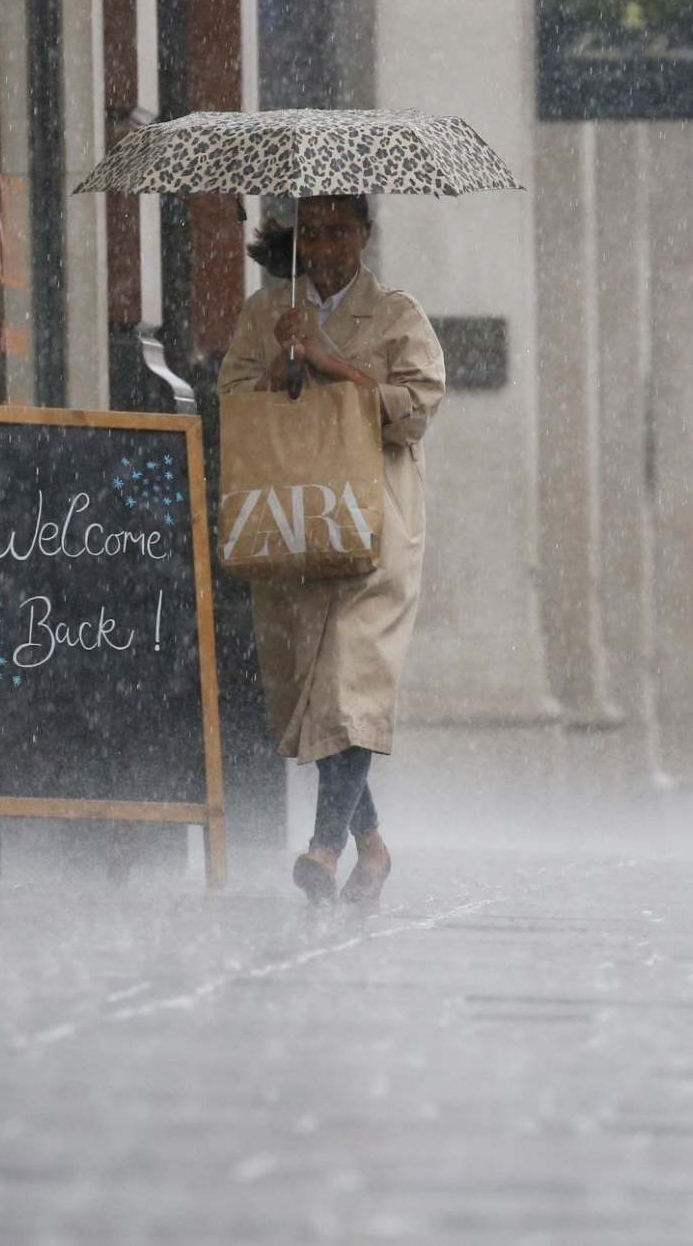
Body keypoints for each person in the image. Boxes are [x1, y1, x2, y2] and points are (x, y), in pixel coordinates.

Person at [218, 195, 445, 910]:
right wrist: (279, 370)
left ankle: (322, 846)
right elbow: (233, 400)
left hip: (374, 523)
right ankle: (371, 847)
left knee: (350, 680)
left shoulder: (396, 314)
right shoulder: (266, 313)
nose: (323, 246)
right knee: (318, 696)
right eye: (311, 232)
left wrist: (330, 361)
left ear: (365, 236)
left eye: (339, 232)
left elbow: (416, 409)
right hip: (291, 519)